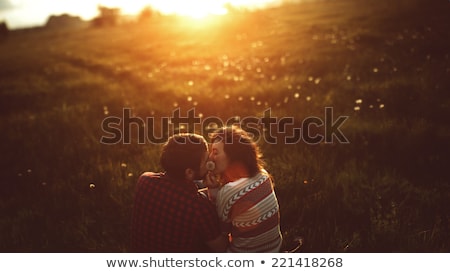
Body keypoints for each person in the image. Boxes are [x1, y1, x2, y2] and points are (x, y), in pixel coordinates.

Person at [130, 133, 228, 252]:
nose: (210, 161)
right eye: (206, 160)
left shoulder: (145, 180)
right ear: (189, 173)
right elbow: (221, 248)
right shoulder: (200, 207)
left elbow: (176, 196)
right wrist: (215, 193)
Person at [204, 126, 283, 252]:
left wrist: (212, 190)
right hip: (274, 249)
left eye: (215, 152)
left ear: (232, 156)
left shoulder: (228, 192)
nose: (211, 157)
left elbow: (222, 232)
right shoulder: (263, 175)